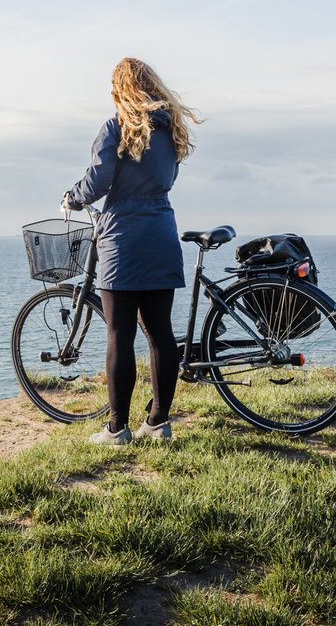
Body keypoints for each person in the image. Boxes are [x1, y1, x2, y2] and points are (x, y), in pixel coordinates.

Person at [62, 57, 202, 445]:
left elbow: (99, 178)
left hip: (123, 240)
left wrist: (73, 198)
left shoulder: (116, 127)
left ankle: (117, 428)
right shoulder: (172, 130)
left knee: (120, 335)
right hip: (161, 235)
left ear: (120, 91)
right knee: (160, 334)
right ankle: (158, 423)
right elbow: (165, 179)